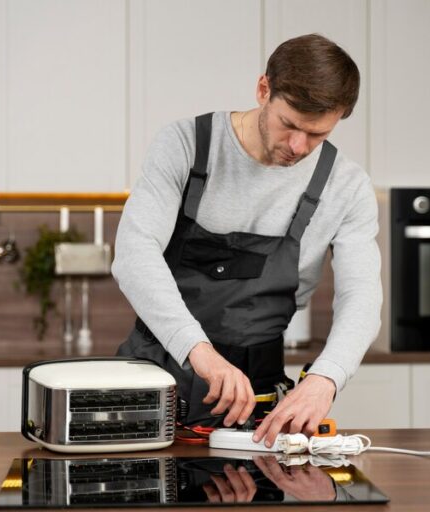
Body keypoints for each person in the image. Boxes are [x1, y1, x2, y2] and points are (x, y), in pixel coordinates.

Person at [113, 33, 381, 447]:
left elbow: (361, 297)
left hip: (258, 398)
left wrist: (326, 378)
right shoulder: (185, 145)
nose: (297, 146)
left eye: (317, 135)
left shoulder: (348, 187)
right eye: (289, 125)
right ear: (263, 90)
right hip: (154, 379)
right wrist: (200, 353)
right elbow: (134, 253)